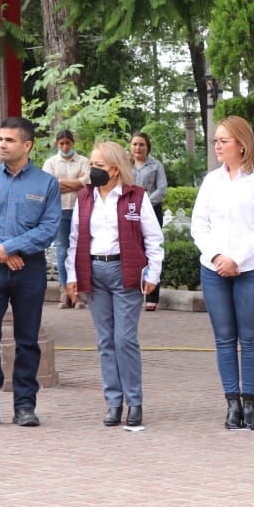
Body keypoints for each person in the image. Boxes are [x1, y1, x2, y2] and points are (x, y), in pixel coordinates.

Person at [0, 116, 61, 428]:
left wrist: (13, 247)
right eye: (1, 139)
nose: (2, 144)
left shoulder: (46, 184)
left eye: (10, 140)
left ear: (27, 145)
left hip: (29, 271)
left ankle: (25, 406)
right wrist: (1, 252)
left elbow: (49, 228)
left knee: (27, 341)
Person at [65, 141, 164, 427]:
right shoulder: (85, 197)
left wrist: (153, 276)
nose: (92, 170)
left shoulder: (136, 197)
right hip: (94, 271)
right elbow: (74, 240)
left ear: (116, 170)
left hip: (125, 272)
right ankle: (113, 402)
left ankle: (134, 401)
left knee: (125, 339)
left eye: (99, 165)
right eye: (91, 165)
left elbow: (154, 240)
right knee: (105, 340)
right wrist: (72, 276)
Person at [191, 115, 254, 430]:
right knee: (224, 338)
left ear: (241, 144)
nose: (217, 145)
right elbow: (198, 224)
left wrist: (236, 259)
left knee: (251, 338)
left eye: (223, 140)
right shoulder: (211, 181)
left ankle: (250, 403)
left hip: (251, 268)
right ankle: (231, 404)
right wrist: (216, 256)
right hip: (213, 269)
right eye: (215, 140)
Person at [42, 128, 90, 308]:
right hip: (59, 209)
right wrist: (76, 184)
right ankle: (66, 291)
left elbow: (87, 185)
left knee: (79, 250)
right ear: (57, 144)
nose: (64, 146)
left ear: (73, 143)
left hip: (80, 209)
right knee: (62, 250)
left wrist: (62, 183)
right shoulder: (51, 162)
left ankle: (77, 291)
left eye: (67, 143)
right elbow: (50, 186)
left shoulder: (84, 161)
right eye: (61, 143)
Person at [129, 132, 168, 312]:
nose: (138, 148)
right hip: (129, 212)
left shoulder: (156, 165)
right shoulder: (124, 165)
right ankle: (135, 293)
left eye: (141, 144)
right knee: (134, 250)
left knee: (151, 250)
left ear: (147, 147)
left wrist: (144, 203)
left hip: (151, 210)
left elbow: (161, 189)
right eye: (135, 144)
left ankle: (152, 296)